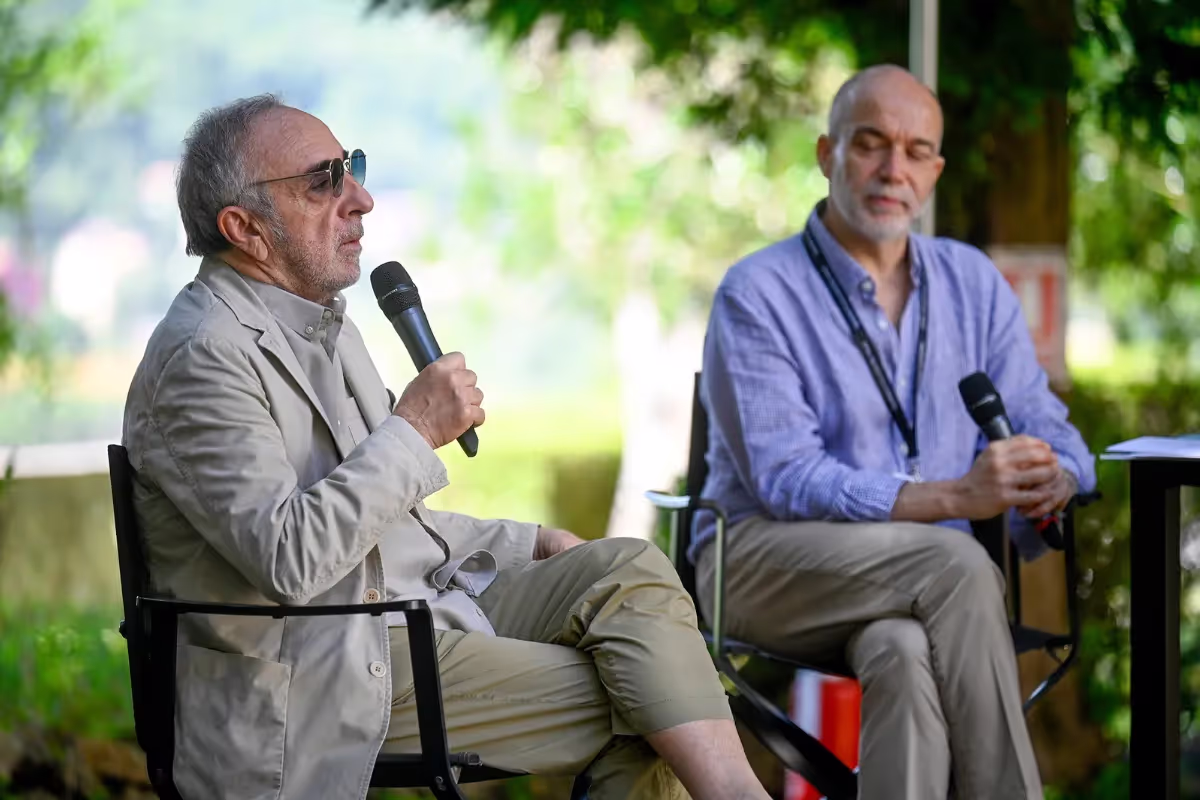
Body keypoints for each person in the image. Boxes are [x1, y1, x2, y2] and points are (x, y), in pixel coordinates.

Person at [123, 94, 771, 800]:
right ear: (244, 228)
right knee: (653, 702)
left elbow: (388, 528)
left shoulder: (323, 325)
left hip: (404, 612)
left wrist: (527, 543)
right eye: (325, 181)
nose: (361, 199)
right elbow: (290, 559)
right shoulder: (202, 358)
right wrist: (413, 430)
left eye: (352, 168)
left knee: (626, 568)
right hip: (321, 664)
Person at [695, 65, 1097, 800]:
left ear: (936, 170)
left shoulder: (973, 284)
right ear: (827, 154)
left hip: (911, 594)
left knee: (902, 651)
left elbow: (1053, 430)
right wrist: (955, 498)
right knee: (958, 562)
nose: (893, 169)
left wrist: (1056, 474)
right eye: (871, 144)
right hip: (760, 564)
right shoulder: (757, 292)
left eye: (916, 151)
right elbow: (787, 479)